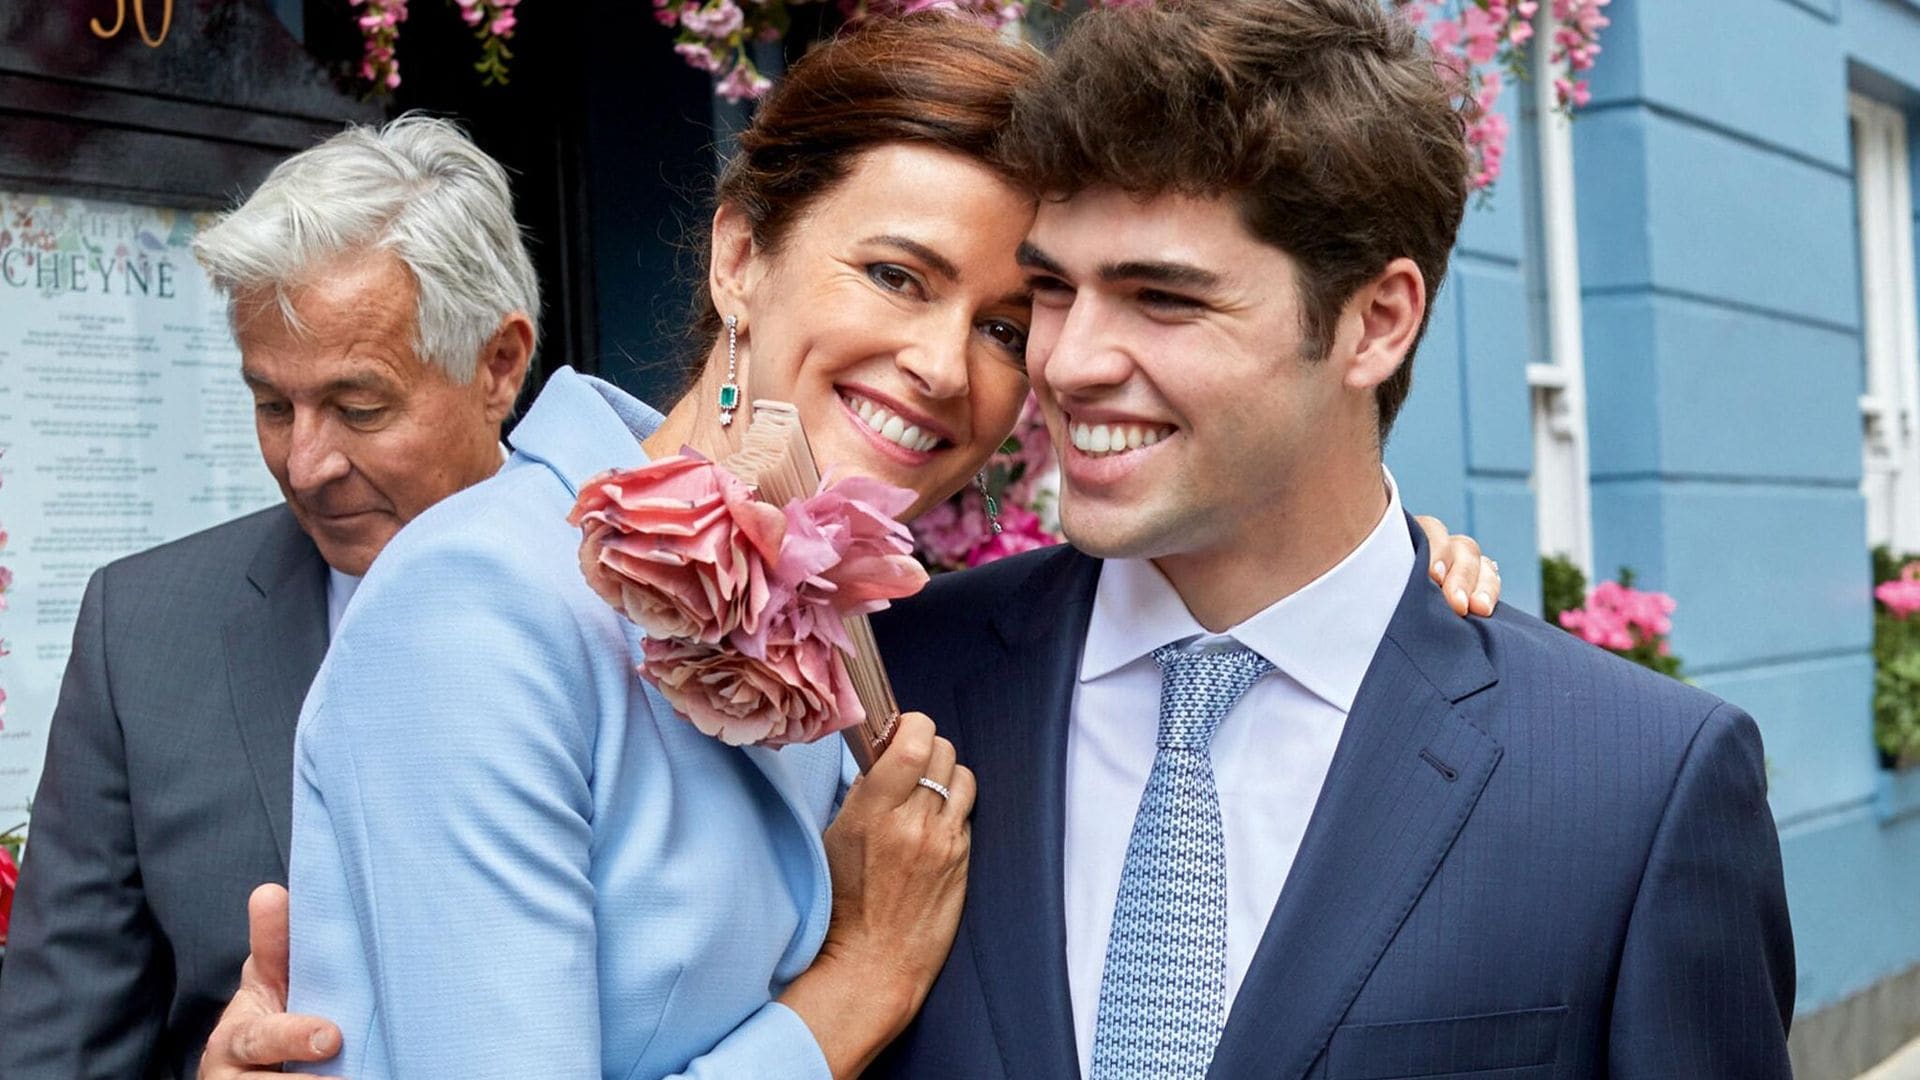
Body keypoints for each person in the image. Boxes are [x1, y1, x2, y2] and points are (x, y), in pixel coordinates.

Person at [195, 14, 1503, 1080]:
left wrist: (1368, 577)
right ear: (740, 255)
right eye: (895, 276)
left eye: (1006, 324)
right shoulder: (485, 600)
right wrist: (853, 988)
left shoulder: (864, 627)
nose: (944, 368)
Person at [865, 3, 1796, 1078]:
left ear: (1377, 321)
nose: (1068, 364)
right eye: (1053, 290)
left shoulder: (1635, 783)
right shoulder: (894, 681)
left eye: (1162, 298)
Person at [0, 115, 537, 1078]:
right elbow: (57, 1052)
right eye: (271, 404)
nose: (305, 464)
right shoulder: (144, 632)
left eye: (359, 407)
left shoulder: (667, 600)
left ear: (498, 364)